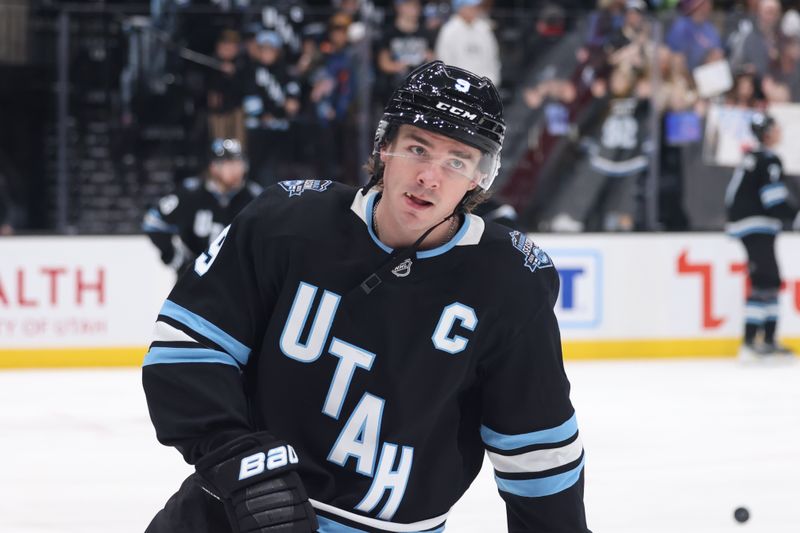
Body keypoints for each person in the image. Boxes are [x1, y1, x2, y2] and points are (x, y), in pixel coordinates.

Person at [142, 61, 590, 532]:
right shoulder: (285, 222)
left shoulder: (510, 282)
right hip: (226, 515)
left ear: (480, 177)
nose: (430, 177)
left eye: (457, 161)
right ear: (385, 147)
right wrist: (246, 470)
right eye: (418, 148)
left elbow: (538, 456)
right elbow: (186, 351)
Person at [725, 112, 800, 360]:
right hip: (754, 224)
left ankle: (767, 338)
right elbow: (774, 200)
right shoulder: (768, 160)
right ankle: (750, 342)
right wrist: (795, 216)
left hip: (754, 224)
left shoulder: (754, 157)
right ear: (767, 133)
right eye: (776, 128)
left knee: (771, 279)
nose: (780, 132)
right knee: (764, 280)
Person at [142, 138, 262, 274]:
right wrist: (176, 258)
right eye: (229, 163)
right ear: (214, 167)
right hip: (193, 281)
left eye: (239, 163)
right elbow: (153, 222)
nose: (236, 169)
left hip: (235, 283)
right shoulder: (190, 193)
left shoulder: (255, 197)